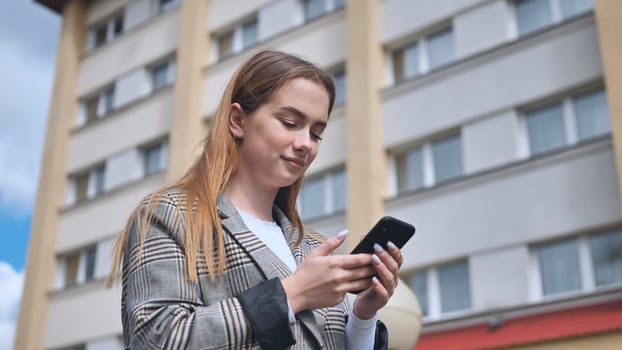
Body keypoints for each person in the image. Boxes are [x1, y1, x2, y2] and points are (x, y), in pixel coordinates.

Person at [108, 50, 404, 350]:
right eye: (290, 122)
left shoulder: (312, 247)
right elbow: (155, 340)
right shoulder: (170, 216)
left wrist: (363, 317)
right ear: (237, 120)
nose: (305, 144)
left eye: (316, 134)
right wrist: (293, 293)